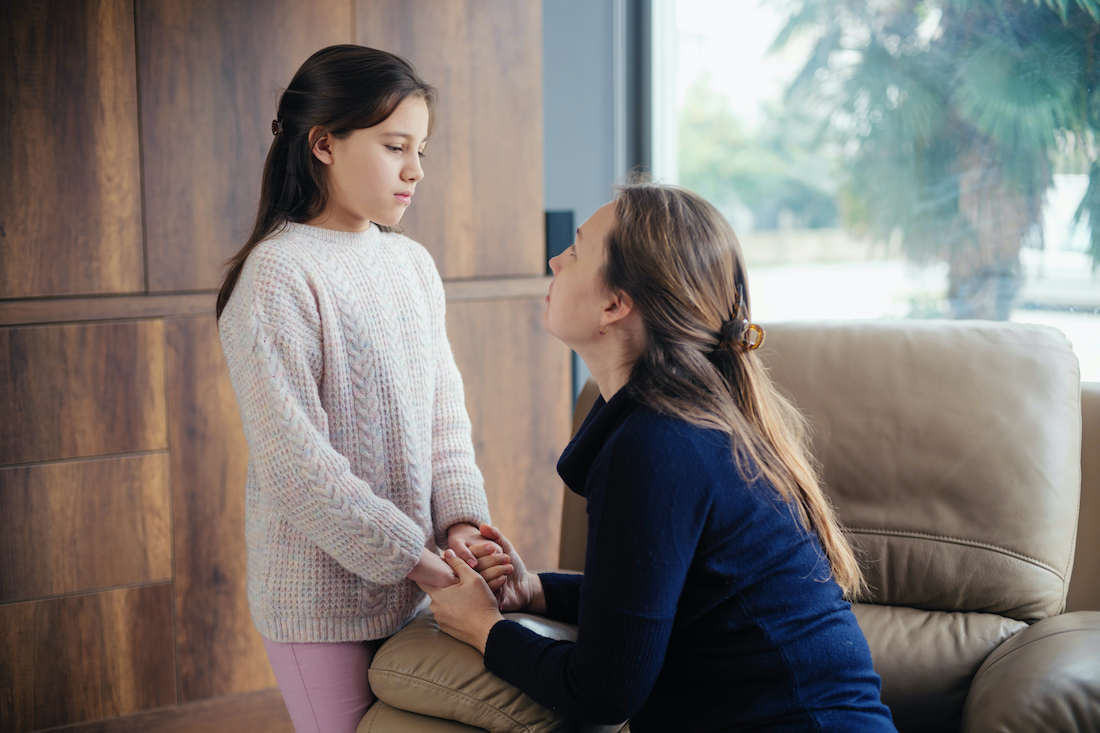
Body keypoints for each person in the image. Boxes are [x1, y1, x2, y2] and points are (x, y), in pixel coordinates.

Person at [419, 181, 898, 732]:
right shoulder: (680, 425)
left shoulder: (657, 446)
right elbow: (661, 606)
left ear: (615, 304)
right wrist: (536, 591)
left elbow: (600, 692)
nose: (555, 259)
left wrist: (483, 628)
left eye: (574, 251)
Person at [216, 45, 506, 733]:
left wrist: (463, 522)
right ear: (323, 143)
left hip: (416, 584)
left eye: (422, 150)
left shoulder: (411, 265)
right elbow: (301, 471)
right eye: (395, 146)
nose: (415, 170)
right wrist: (427, 566)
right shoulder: (277, 276)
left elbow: (445, 423)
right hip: (320, 602)